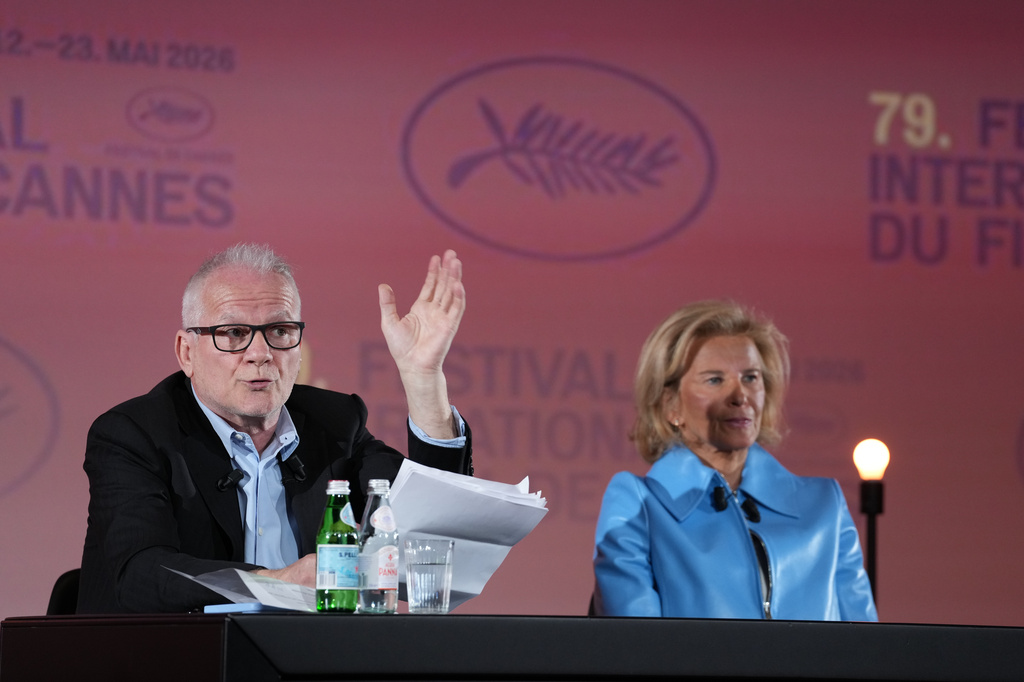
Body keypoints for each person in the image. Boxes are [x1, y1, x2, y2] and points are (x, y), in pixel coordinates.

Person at [77, 243, 472, 613]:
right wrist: (278, 583)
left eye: (280, 331)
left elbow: (431, 523)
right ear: (187, 352)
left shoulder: (334, 424)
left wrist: (424, 380)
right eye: (234, 333)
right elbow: (141, 574)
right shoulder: (134, 435)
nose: (261, 354)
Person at [592, 300, 877, 620]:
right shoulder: (640, 504)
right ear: (670, 404)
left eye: (751, 377)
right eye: (715, 380)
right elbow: (633, 641)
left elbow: (865, 643)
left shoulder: (825, 505)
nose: (740, 396)